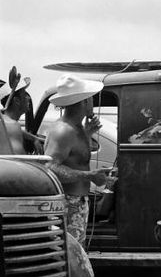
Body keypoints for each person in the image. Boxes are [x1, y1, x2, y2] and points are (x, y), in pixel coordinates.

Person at [44, 74, 111, 247]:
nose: (93, 103)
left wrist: (87, 135)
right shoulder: (63, 131)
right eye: (91, 99)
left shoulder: (77, 129)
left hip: (77, 203)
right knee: (69, 256)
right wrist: (89, 175)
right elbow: (50, 167)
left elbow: (75, 158)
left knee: (76, 253)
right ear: (84, 101)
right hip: (68, 204)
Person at [0, 75, 33, 154]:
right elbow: (20, 161)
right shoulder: (13, 125)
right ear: (17, 101)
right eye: (24, 95)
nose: (28, 98)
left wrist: (33, 138)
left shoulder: (5, 123)